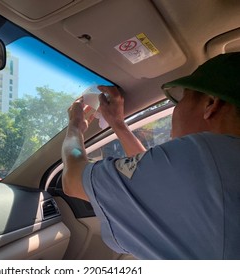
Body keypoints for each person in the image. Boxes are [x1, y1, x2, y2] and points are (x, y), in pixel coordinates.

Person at [61, 52, 240, 259]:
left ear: (211, 104)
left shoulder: (204, 153)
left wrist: (75, 125)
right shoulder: (223, 163)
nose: (176, 111)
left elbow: (73, 179)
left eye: (182, 100)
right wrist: (118, 125)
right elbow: (154, 176)